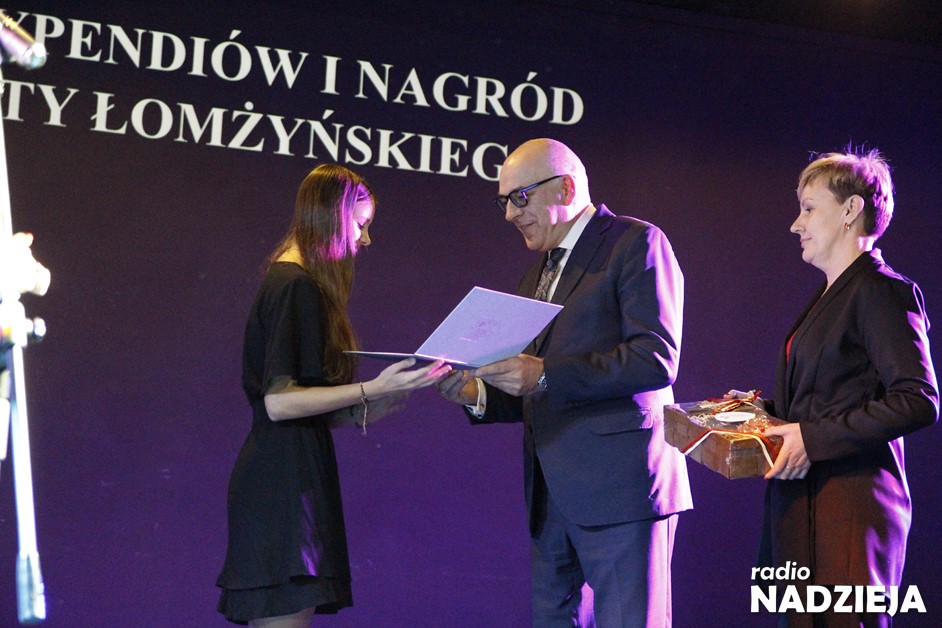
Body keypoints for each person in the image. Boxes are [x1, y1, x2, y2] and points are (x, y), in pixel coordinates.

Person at [438, 138, 692, 626]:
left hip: (621, 491)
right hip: (551, 499)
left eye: (519, 197)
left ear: (566, 189)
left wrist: (544, 374)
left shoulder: (635, 242)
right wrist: (473, 393)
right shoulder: (536, 274)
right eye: (502, 202)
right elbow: (534, 388)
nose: (510, 215)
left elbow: (655, 358)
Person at [216, 164, 451, 627]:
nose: (365, 239)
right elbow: (279, 403)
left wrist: (374, 403)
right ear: (331, 216)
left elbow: (300, 404)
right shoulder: (294, 285)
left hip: (289, 476)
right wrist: (372, 387)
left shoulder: (297, 283)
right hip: (282, 485)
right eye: (360, 224)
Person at [747, 149, 938, 627]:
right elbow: (828, 398)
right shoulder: (832, 294)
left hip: (849, 511)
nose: (796, 224)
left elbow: (918, 399)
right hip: (804, 509)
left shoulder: (881, 289)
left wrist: (810, 438)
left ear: (851, 209)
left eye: (809, 208)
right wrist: (759, 412)